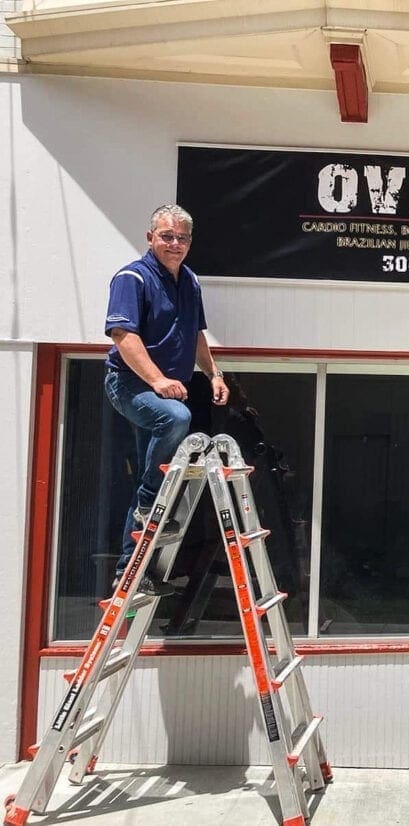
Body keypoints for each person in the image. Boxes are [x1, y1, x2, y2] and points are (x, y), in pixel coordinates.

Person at [104, 204, 229, 596]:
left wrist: (214, 374)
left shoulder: (190, 281)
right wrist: (157, 379)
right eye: (166, 236)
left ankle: (132, 571)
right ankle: (149, 499)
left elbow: (195, 335)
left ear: (190, 242)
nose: (174, 244)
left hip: (161, 388)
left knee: (157, 467)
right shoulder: (132, 278)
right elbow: (123, 337)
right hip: (129, 384)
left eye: (181, 238)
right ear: (150, 237)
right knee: (176, 417)